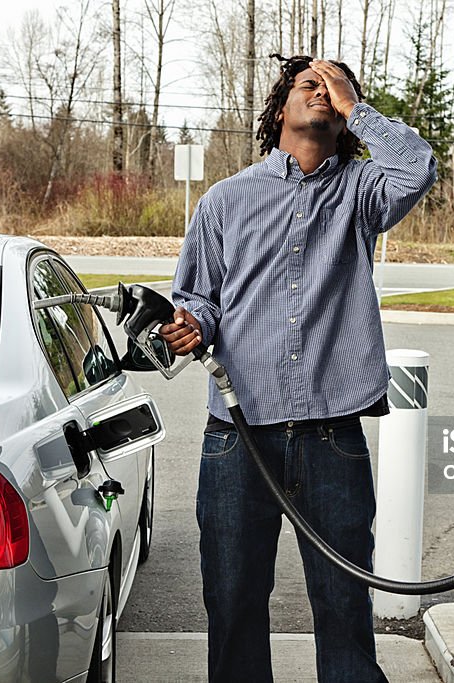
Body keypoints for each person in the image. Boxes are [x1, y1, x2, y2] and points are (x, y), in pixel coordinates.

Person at [159, 53, 437, 683]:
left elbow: (417, 167)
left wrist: (353, 104)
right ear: (280, 108)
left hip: (331, 438)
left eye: (336, 90)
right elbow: (199, 296)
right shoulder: (225, 202)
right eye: (309, 85)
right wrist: (192, 324)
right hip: (237, 438)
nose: (324, 93)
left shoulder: (364, 192)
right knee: (232, 606)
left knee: (343, 608)